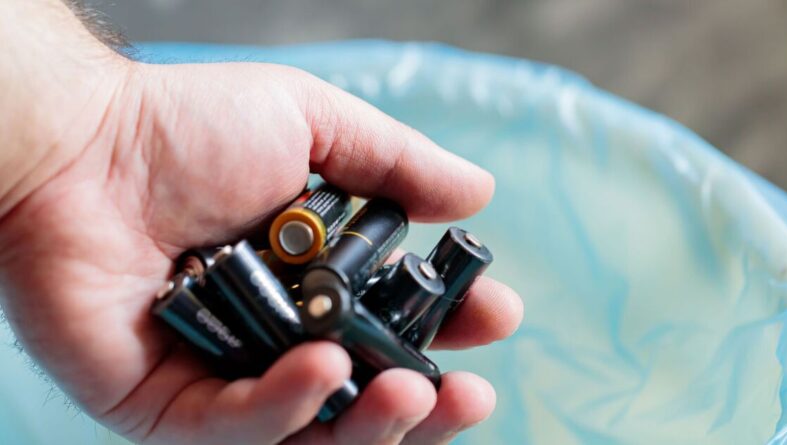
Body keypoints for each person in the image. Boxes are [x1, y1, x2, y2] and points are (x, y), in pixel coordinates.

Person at [0, 1, 523, 444]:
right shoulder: (330, 282)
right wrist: (99, 127)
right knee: (384, 383)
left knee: (373, 380)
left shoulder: (329, 281)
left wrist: (90, 132)